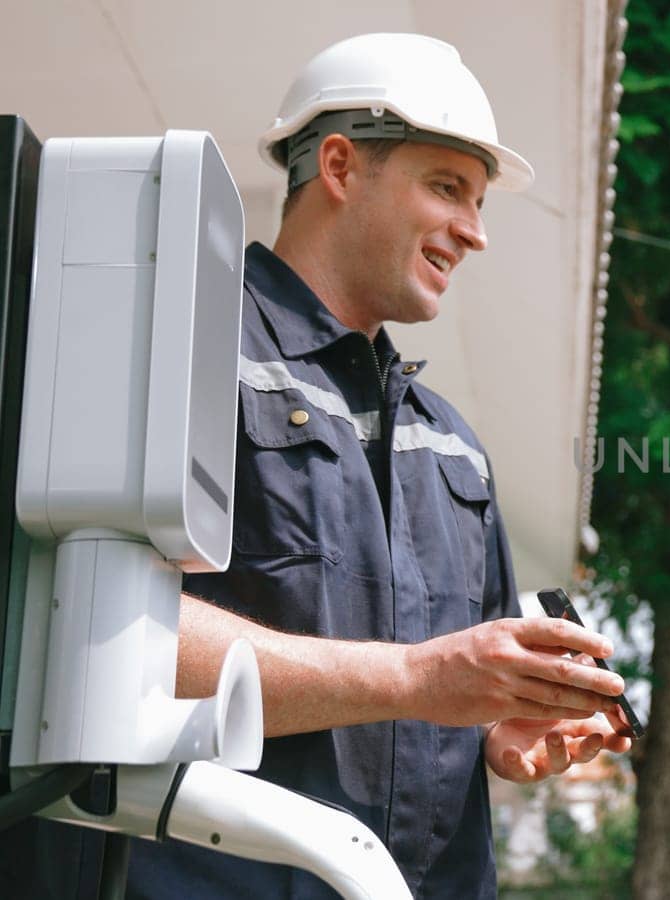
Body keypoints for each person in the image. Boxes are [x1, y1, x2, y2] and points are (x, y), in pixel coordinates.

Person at [3, 33, 631, 899]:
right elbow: (95, 634)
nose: (475, 233)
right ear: (339, 165)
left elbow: (443, 695)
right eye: (447, 188)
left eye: (480, 201)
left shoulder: (454, 448)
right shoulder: (173, 352)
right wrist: (422, 678)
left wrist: (500, 731)